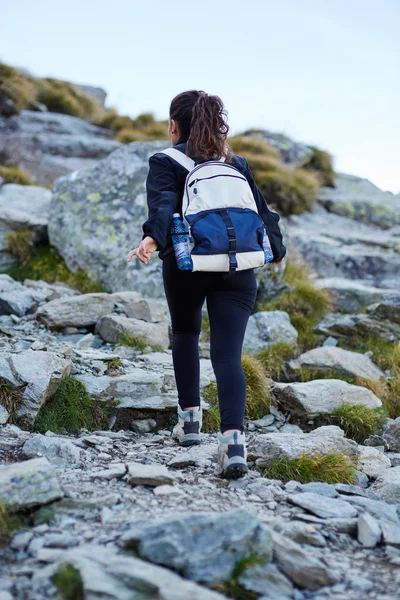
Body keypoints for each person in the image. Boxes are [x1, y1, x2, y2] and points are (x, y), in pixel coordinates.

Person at [127, 90, 286, 479]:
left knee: (184, 332)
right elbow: (263, 215)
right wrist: (276, 250)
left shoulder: (165, 160)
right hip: (237, 268)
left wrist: (151, 239)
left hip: (187, 266)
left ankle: (190, 423)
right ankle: (233, 444)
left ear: (173, 125)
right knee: (228, 355)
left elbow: (163, 207)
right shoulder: (236, 163)